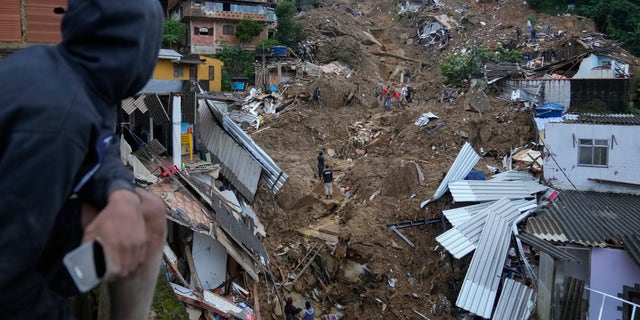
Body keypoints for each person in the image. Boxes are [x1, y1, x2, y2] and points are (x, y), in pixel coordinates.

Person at [0, 0, 167, 319]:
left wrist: (120, 194)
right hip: (11, 265)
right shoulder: (57, 124)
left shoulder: (72, 73)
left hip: (24, 232)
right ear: (139, 51)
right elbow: (5, 277)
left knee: (146, 213)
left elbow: (100, 147)